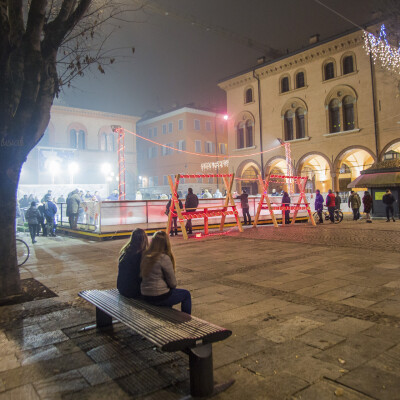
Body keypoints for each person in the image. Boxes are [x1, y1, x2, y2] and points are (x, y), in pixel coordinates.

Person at [140, 231, 191, 314]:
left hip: (145, 294)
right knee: (186, 294)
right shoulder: (163, 258)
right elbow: (173, 283)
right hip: (158, 296)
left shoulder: (145, 255)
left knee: (168, 292)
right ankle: (187, 319)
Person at [117, 229, 149, 298]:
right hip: (133, 291)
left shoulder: (125, 253)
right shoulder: (141, 256)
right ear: (144, 240)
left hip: (121, 288)